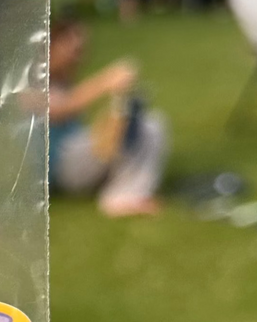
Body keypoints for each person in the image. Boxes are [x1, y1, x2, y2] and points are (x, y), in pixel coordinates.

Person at [47, 12, 169, 217]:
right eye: (73, 49)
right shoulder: (29, 84)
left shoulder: (65, 83)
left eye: (81, 50)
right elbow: (60, 108)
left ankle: (128, 191)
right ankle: (120, 198)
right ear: (50, 47)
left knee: (147, 124)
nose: (77, 57)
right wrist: (105, 81)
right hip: (60, 167)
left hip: (76, 159)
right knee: (149, 125)